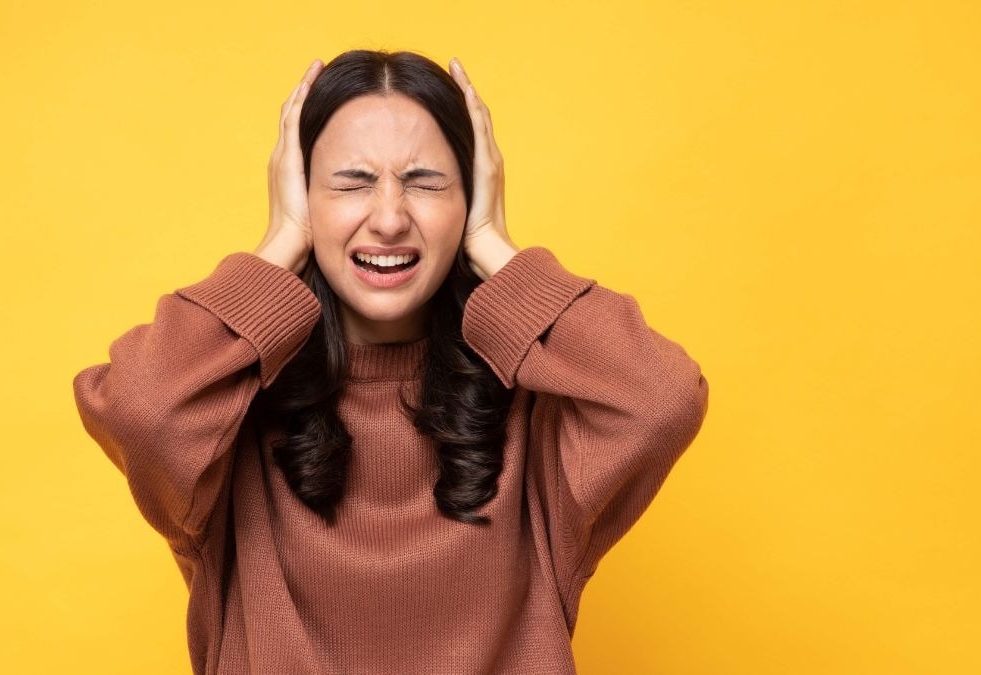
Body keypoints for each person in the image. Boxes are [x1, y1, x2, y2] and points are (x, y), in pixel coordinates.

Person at [72, 49, 709, 674]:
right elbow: (140, 409)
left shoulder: (540, 420)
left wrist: (495, 245)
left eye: (426, 182)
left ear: (472, 198)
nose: (388, 218)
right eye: (350, 183)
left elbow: (663, 398)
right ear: (298, 197)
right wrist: (278, 245)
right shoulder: (225, 411)